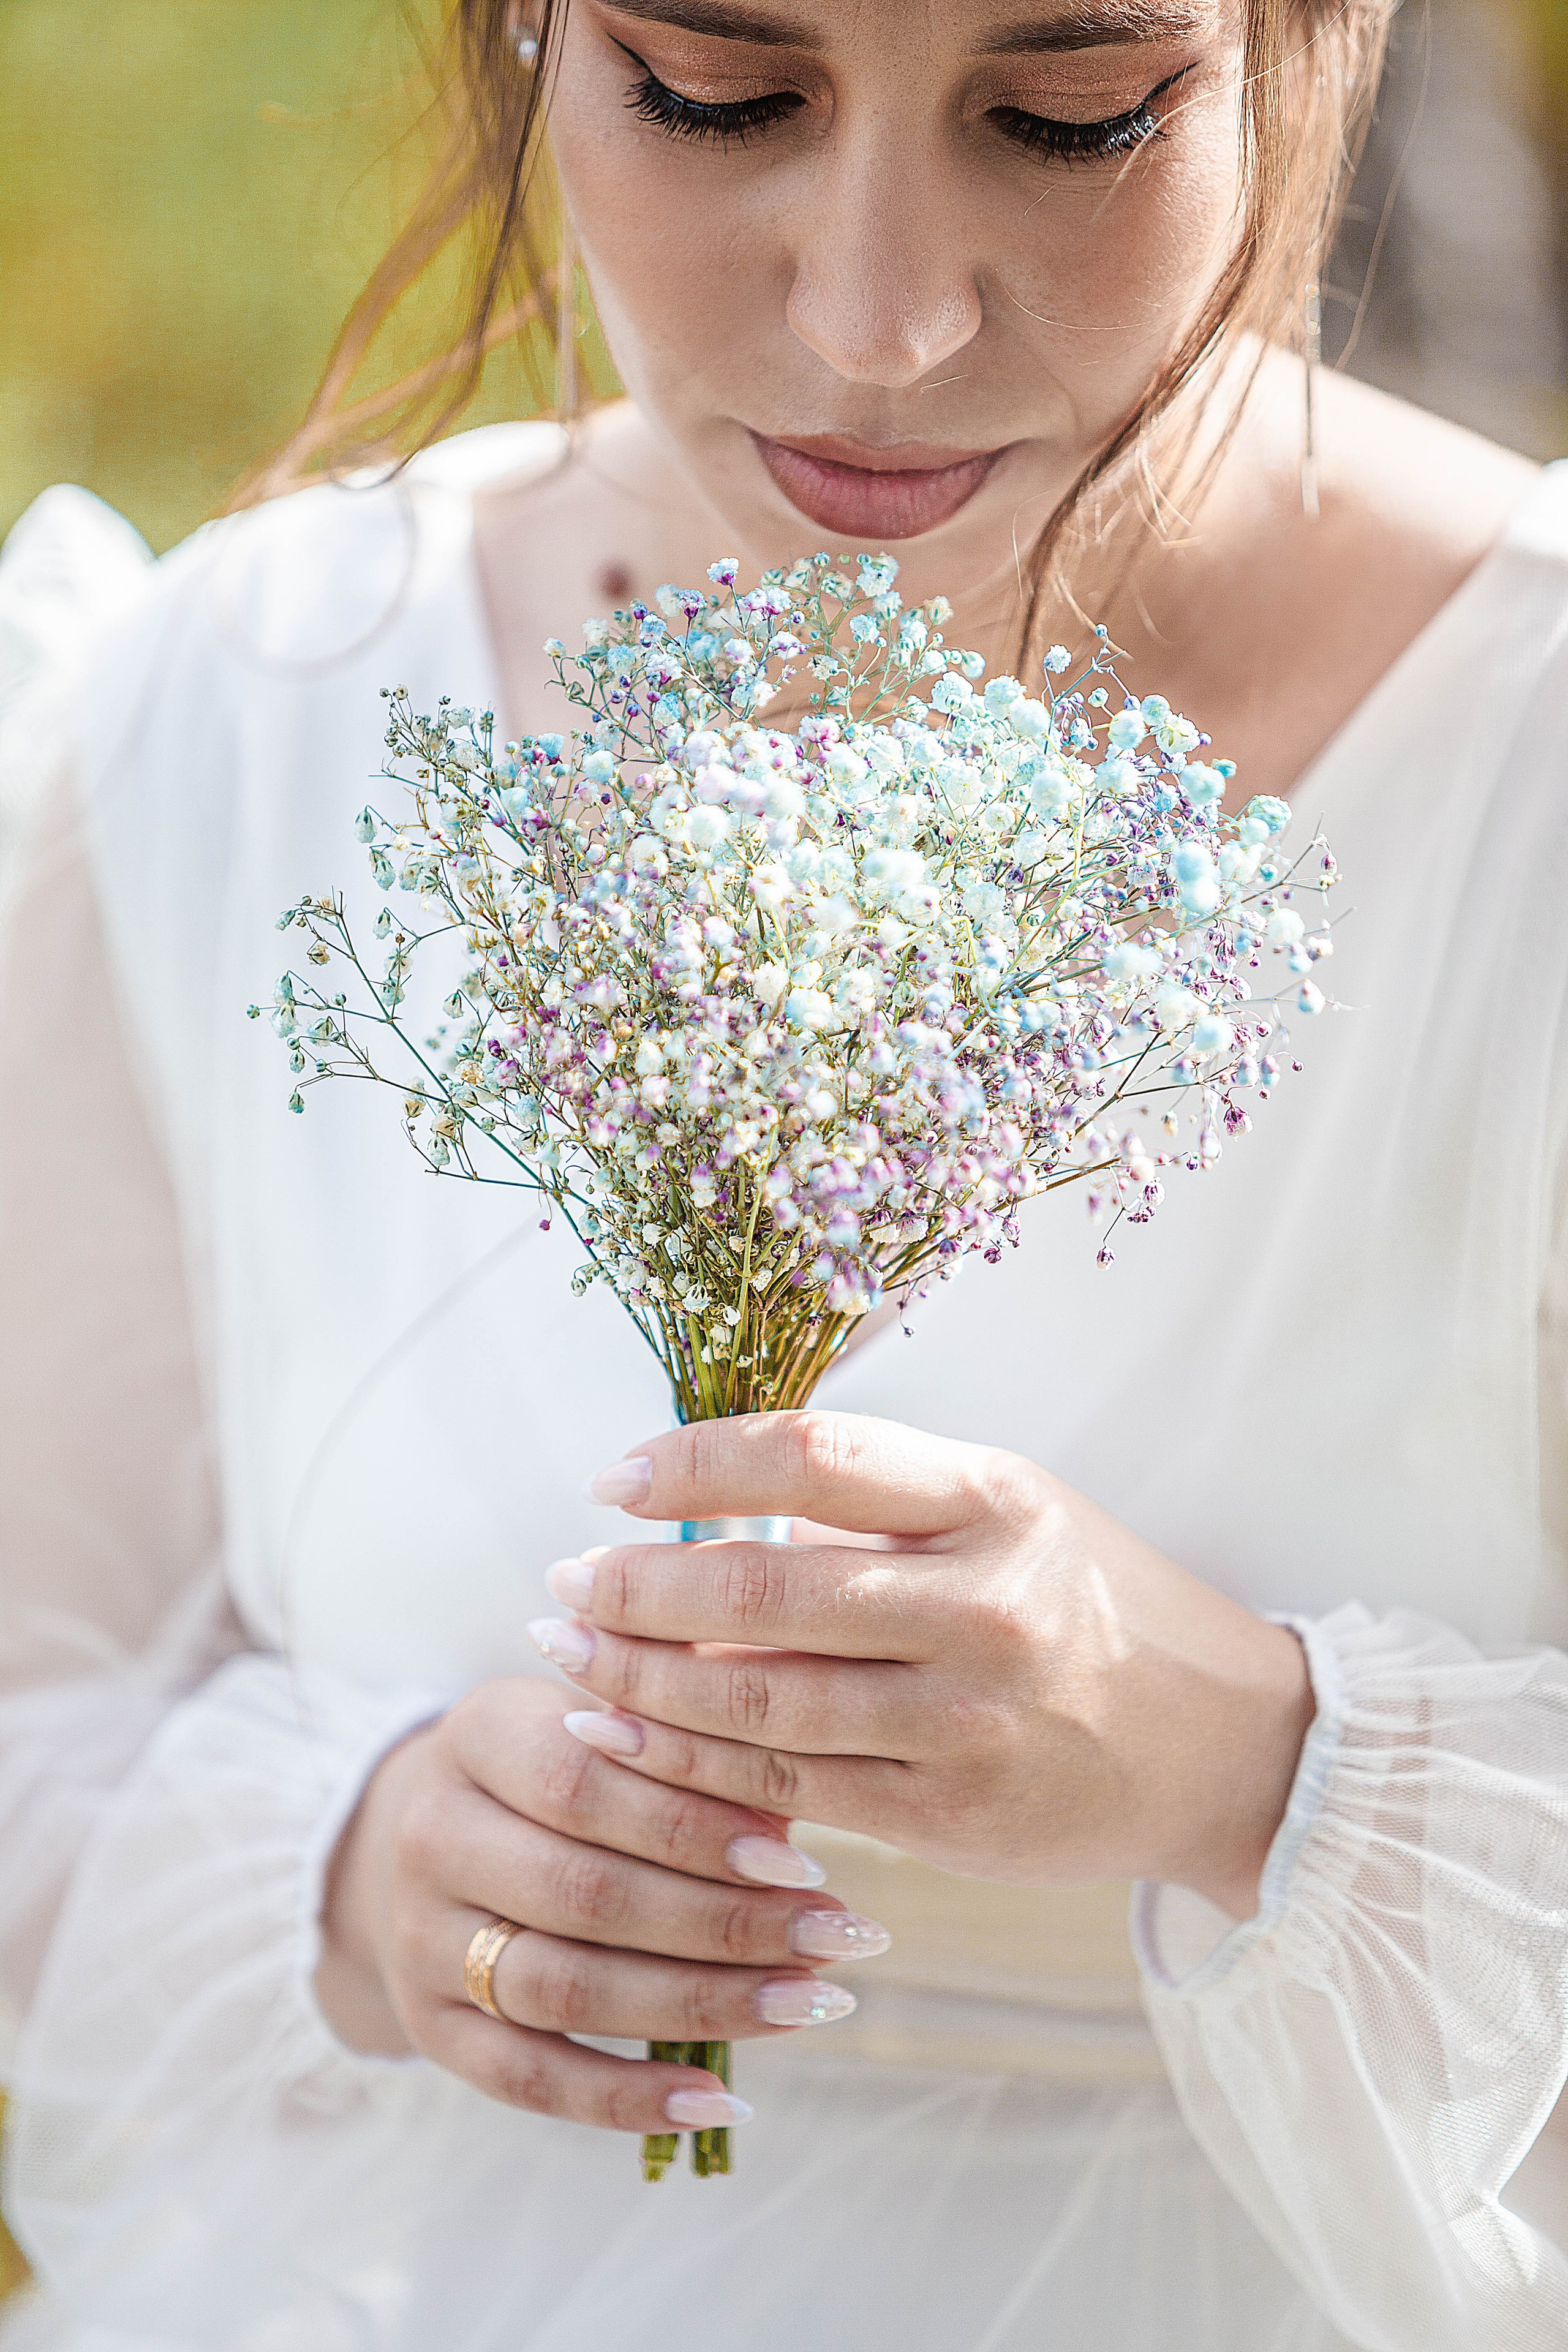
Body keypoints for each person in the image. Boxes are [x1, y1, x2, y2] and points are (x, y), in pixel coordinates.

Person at [1, 0, 1566, 2343]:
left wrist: (1251, 1765)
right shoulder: (242, 714)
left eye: (1069, 120)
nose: (877, 322)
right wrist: (370, 1871)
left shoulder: (1523, 757)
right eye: (716, 97)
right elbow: (41, 1736)